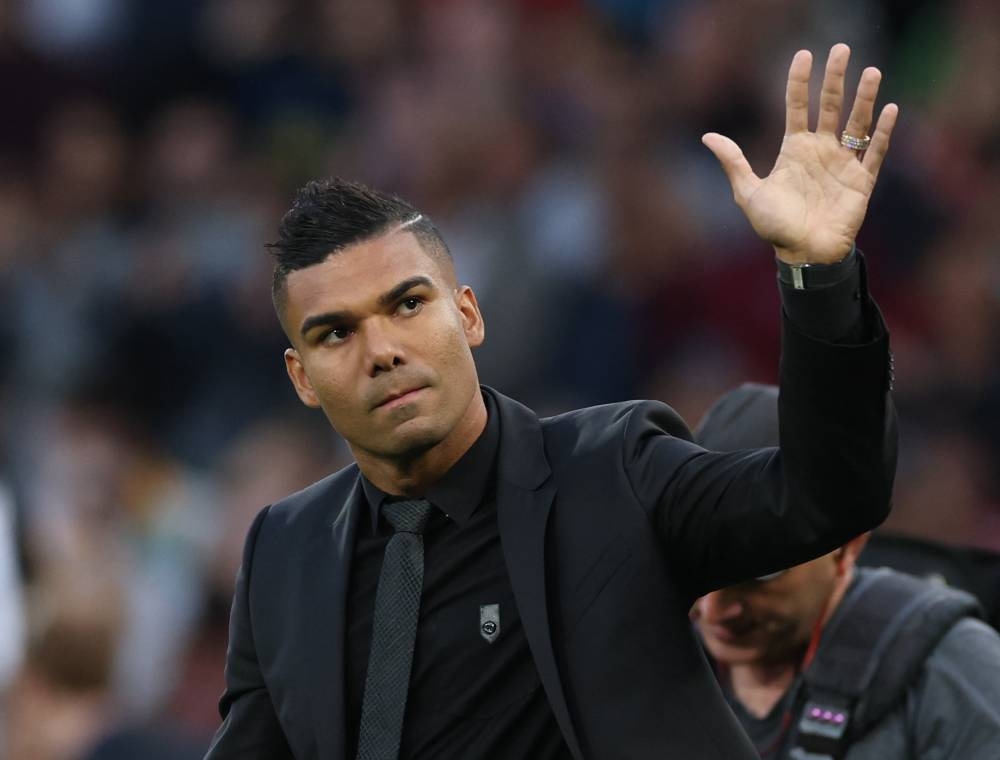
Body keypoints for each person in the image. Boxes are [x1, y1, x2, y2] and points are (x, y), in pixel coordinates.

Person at [206, 44, 899, 760]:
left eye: (408, 304)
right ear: (302, 378)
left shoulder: (613, 472)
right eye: (336, 333)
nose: (381, 350)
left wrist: (819, 276)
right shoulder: (284, 551)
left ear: (468, 315)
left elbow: (828, 497)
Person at [692, 383, 1000, 759]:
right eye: (699, 567)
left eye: (762, 572)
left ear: (849, 544)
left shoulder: (950, 668)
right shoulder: (651, 659)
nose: (713, 607)